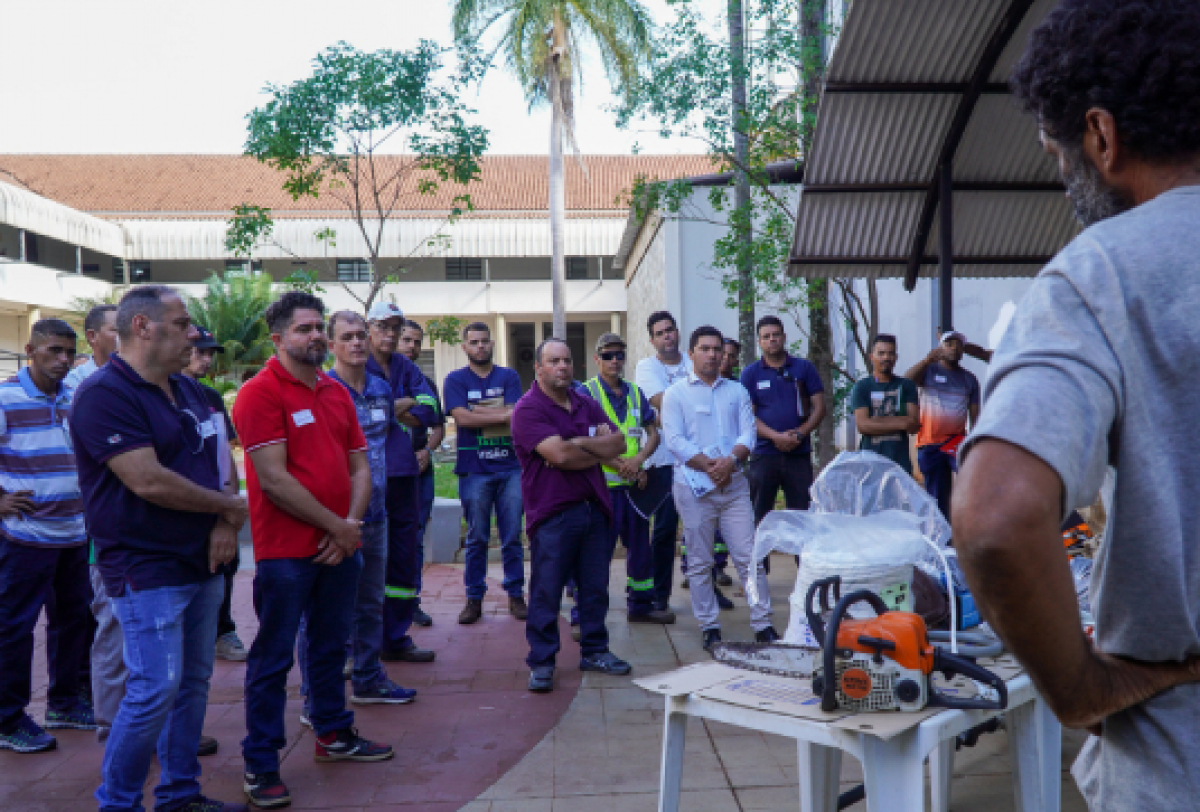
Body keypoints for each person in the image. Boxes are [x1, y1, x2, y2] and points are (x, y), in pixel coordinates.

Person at [954, 3, 1200, 808]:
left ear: (1102, 136)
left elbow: (996, 517)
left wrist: (1080, 689)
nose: (1063, 174)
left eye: (1057, 151)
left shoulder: (1104, 275)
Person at [71, 285, 248, 812]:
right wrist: (230, 508)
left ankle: (179, 792)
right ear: (143, 327)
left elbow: (220, 464)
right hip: (144, 565)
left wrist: (224, 518)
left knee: (192, 682)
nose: (193, 333)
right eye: (182, 323)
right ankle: (118, 802)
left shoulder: (191, 391)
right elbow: (147, 481)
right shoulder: (106, 394)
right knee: (154, 688)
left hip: (201, 561)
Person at [233, 292, 392, 809]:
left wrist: (349, 524)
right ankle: (260, 762)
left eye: (319, 327)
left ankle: (333, 732)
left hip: (339, 544)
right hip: (286, 554)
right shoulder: (259, 394)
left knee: (330, 647)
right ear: (277, 339)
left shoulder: (335, 392)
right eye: (305, 329)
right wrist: (339, 528)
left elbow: (360, 468)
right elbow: (274, 480)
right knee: (274, 658)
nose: (317, 336)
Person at [512, 338, 633, 693]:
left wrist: (577, 444)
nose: (563, 366)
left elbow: (619, 444)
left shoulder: (585, 402)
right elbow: (560, 457)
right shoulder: (527, 409)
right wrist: (583, 447)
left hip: (594, 508)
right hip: (553, 514)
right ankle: (543, 660)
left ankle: (595, 650)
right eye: (554, 361)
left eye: (567, 360)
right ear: (539, 368)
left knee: (594, 589)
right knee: (547, 591)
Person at [0, 319, 93, 754]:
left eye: (68, 352)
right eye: (53, 350)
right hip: (23, 538)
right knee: (14, 628)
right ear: (30, 349)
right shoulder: (5, 397)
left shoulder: (75, 397)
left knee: (74, 621)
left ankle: (65, 703)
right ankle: (8, 718)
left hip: (74, 534)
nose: (62, 359)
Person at [316, 311, 416, 705]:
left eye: (361, 336)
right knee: (331, 607)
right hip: (335, 519)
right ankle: (321, 694)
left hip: (376, 515)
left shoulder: (380, 389)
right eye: (348, 337)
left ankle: (368, 677)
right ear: (332, 345)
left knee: (372, 602)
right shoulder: (324, 390)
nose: (357, 343)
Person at [661, 326, 776, 651]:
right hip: (694, 489)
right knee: (699, 562)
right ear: (692, 353)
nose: (712, 355)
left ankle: (763, 624)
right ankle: (710, 626)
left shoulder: (737, 391)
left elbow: (748, 435)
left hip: (734, 488)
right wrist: (710, 466)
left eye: (717, 350)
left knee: (748, 559)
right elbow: (675, 441)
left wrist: (729, 463)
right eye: (705, 349)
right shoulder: (676, 394)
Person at [581, 332, 673, 624]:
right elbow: (581, 442)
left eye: (619, 355)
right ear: (597, 359)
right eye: (607, 355)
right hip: (602, 489)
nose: (614, 360)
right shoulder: (586, 393)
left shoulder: (634, 392)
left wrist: (638, 461)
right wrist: (620, 463)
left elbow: (654, 433)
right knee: (597, 555)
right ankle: (587, 616)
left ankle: (641, 607)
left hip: (634, 488)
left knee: (640, 551)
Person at [364, 301, 438, 662]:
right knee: (365, 559)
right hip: (367, 477)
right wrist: (397, 406)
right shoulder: (354, 364)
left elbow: (429, 410)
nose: (390, 334)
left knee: (403, 557)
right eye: (383, 327)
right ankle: (359, 645)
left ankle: (395, 637)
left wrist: (391, 407)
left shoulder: (406, 365)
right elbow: (358, 412)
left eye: (395, 327)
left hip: (405, 474)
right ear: (368, 328)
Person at [443, 322, 527, 625]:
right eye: (473, 342)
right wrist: (498, 413)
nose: (480, 346)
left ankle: (515, 594)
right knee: (477, 537)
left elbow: (516, 414)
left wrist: (480, 412)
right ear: (465, 347)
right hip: (473, 470)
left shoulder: (509, 376)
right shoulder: (455, 380)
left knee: (512, 536)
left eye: (484, 341)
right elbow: (462, 418)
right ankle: (474, 598)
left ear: (492, 344)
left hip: (510, 468)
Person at [65, 304, 120, 740]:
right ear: (93, 337)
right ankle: (111, 724)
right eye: (115, 329)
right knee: (108, 624)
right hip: (97, 526)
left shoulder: (149, 384)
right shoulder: (82, 389)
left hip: (121, 528)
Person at [182, 327, 248, 663]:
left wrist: (229, 512)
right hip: (182, 513)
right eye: (199, 351)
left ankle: (222, 630)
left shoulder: (210, 399)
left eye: (210, 353)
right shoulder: (159, 396)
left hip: (218, 506)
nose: (206, 359)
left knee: (225, 566)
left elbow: (227, 454)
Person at [740, 315, 827, 524]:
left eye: (776, 335)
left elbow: (820, 408)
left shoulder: (803, 368)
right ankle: (760, 558)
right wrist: (776, 437)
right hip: (763, 454)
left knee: (802, 516)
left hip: (798, 454)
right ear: (759, 341)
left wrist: (799, 434)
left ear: (784, 337)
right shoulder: (750, 374)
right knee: (760, 515)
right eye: (766, 336)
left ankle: (802, 558)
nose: (772, 339)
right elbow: (747, 417)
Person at [634, 311, 691, 613]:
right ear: (652, 340)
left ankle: (704, 585)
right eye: (660, 333)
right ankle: (660, 595)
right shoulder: (646, 367)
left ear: (677, 332)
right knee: (666, 529)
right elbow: (660, 401)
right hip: (664, 460)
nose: (667, 335)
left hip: (698, 459)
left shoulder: (693, 361)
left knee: (701, 530)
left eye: (670, 330)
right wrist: (694, 403)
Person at [902, 330, 980, 521]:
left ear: (963, 351)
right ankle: (943, 539)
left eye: (958, 344)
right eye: (949, 343)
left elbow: (976, 416)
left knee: (972, 484)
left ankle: (968, 527)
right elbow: (906, 381)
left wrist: (975, 443)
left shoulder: (969, 379)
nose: (954, 348)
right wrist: (925, 361)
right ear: (940, 347)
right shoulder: (928, 371)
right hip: (930, 444)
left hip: (957, 443)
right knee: (937, 495)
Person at [399, 319, 444, 628]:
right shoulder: (377, 378)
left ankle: (410, 602)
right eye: (406, 340)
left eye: (417, 341)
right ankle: (384, 606)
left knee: (414, 538)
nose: (412, 346)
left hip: (421, 471)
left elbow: (438, 426)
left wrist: (427, 450)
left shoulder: (425, 382)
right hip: (390, 473)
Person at [848, 335, 920, 475]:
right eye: (881, 353)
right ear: (871, 356)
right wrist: (901, 422)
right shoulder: (862, 387)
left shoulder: (906, 386)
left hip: (900, 463)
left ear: (896, 357)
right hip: (869, 463)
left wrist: (875, 422)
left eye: (890, 353)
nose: (886, 357)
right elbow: (863, 426)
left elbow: (913, 426)